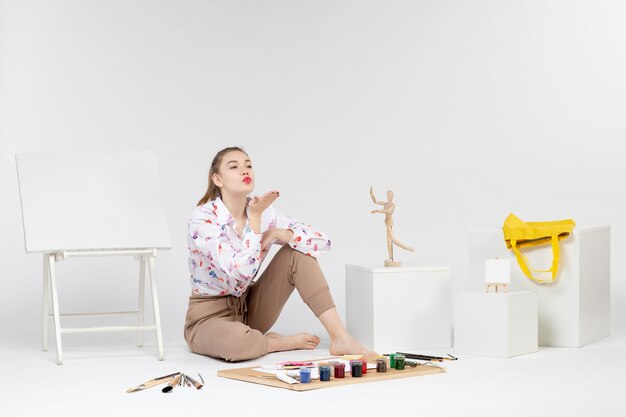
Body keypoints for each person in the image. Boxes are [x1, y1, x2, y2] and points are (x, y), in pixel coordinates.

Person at [184, 146, 373, 362]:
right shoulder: (203, 219)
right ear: (218, 179)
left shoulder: (265, 213)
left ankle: (340, 337)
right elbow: (241, 273)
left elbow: (323, 242)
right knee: (236, 343)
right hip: (207, 318)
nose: (245, 171)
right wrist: (254, 222)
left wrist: (279, 233)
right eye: (234, 167)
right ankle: (275, 343)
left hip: (249, 308)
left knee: (298, 253)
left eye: (248, 165)